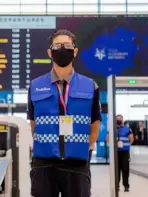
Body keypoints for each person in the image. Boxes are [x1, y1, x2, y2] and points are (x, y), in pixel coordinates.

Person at [27, 29, 101, 197]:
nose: (62, 49)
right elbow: (33, 125)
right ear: (49, 52)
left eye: (67, 46)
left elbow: (94, 127)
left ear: (75, 51)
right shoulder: (35, 86)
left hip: (77, 166)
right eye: (57, 45)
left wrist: (77, 148)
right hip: (43, 166)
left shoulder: (90, 86)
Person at [106, 115, 134, 192]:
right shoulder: (112, 129)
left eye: (120, 119)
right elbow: (107, 139)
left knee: (125, 169)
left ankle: (126, 186)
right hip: (116, 152)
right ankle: (116, 185)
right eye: (117, 119)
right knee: (116, 170)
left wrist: (126, 145)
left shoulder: (127, 129)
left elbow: (131, 139)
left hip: (125, 152)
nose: (118, 120)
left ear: (122, 120)